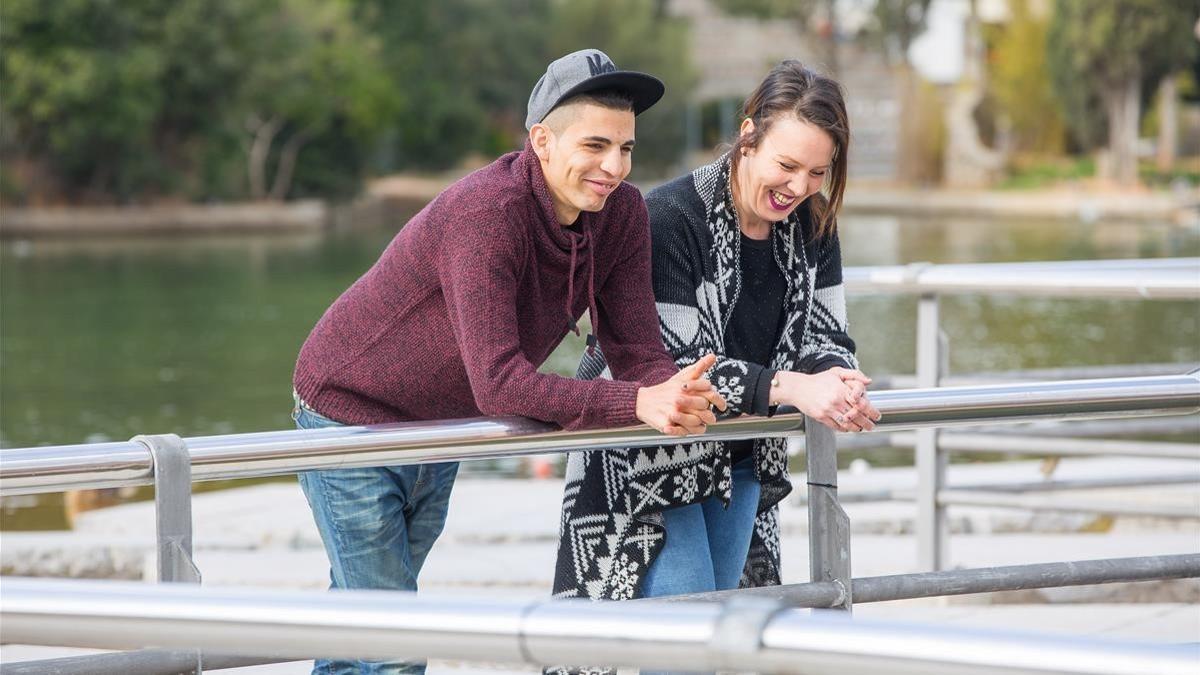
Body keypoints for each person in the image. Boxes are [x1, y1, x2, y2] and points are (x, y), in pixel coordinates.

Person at [291, 48, 726, 675]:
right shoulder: (487, 215)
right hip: (348, 413)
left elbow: (635, 350)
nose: (613, 167)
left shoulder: (622, 213)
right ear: (542, 141)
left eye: (626, 149)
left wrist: (674, 392)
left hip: (437, 428)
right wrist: (635, 402)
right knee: (392, 638)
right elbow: (498, 383)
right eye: (595, 145)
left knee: (366, 619)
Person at [552, 61, 880, 611]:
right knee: (686, 637)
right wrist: (794, 388)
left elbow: (827, 334)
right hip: (648, 455)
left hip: (743, 453)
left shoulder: (814, 222)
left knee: (722, 639)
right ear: (747, 136)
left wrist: (837, 380)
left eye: (818, 172)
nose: (799, 187)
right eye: (787, 164)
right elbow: (677, 369)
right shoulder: (669, 217)